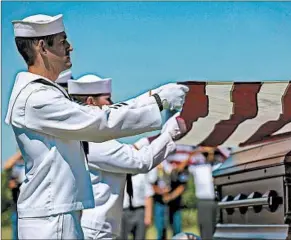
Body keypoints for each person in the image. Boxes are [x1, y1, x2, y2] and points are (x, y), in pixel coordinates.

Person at [6, 13, 188, 239]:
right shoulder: (37, 97)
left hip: (57, 213)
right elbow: (100, 121)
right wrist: (158, 102)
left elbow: (99, 115)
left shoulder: (42, 93)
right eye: (63, 41)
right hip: (52, 219)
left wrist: (153, 97)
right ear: (42, 47)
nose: (70, 47)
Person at [66, 74, 187, 239]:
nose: (111, 104)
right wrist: (170, 133)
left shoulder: (87, 135)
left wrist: (158, 96)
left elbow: (127, 112)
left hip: (99, 227)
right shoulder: (93, 141)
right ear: (90, 102)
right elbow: (140, 161)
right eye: (107, 99)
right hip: (97, 231)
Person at [3, 151, 25, 240]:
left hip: (30, 206)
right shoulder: (15, 164)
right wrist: (20, 152)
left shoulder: (30, 163)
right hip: (16, 206)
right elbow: (7, 165)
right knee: (16, 234)